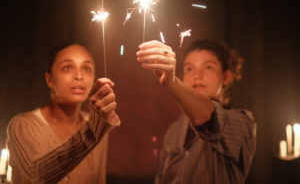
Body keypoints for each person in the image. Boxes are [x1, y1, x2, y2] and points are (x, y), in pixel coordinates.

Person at [136, 39, 256, 184]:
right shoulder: (173, 131)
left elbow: (208, 118)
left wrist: (171, 82)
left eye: (208, 67)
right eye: (189, 69)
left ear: (226, 77)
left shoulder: (242, 122)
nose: (197, 75)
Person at [6, 43, 120, 184]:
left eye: (86, 68)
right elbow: (36, 176)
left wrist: (97, 127)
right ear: (49, 79)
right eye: (67, 68)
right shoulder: (22, 125)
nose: (79, 76)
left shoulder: (95, 124)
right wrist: (93, 130)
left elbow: (98, 179)